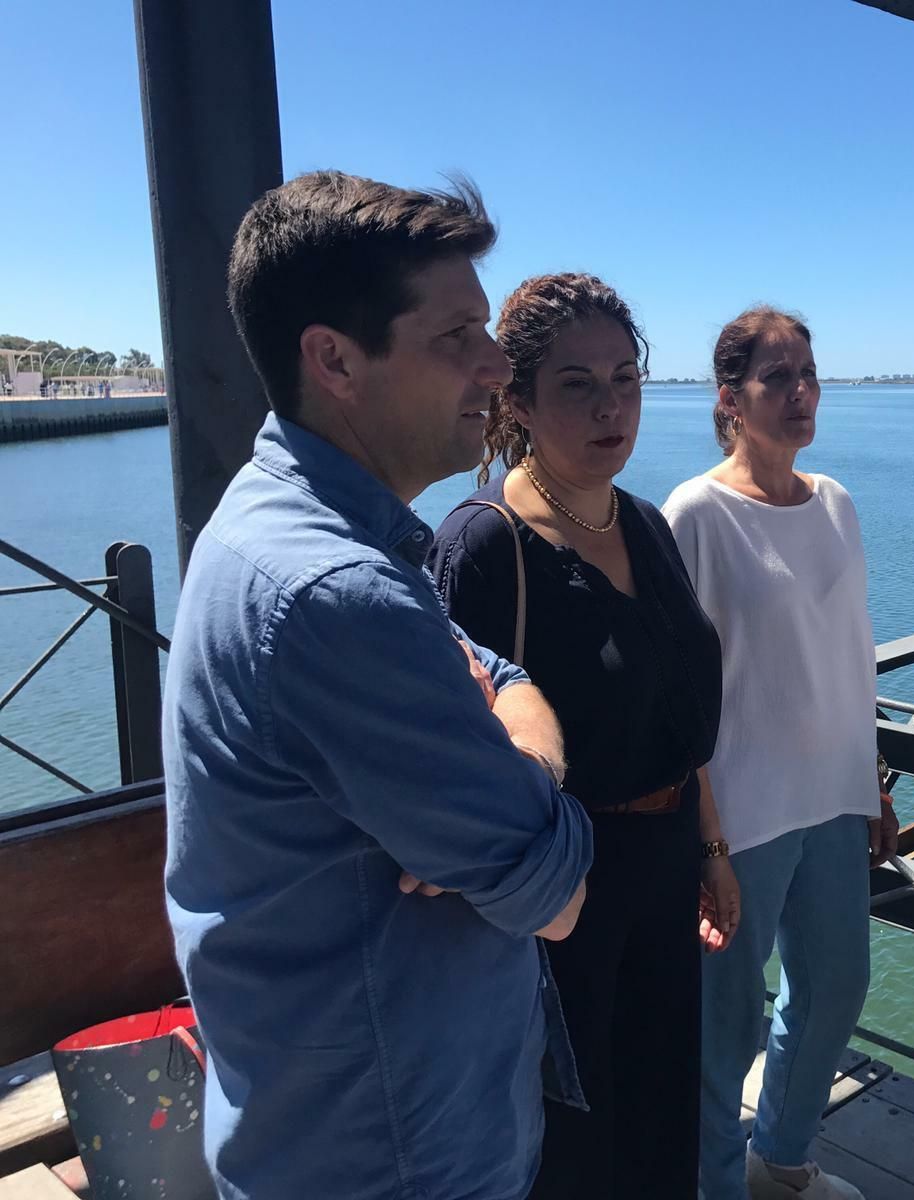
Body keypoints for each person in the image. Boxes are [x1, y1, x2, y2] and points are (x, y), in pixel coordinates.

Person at [162, 171, 592, 1200]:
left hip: (353, 1132)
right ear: (335, 360)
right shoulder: (334, 590)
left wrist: (501, 728)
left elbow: (496, 670)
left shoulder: (306, 530)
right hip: (390, 1160)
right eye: (456, 338)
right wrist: (533, 768)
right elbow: (560, 894)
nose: (496, 365)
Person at [428, 273, 729, 1199]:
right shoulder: (484, 547)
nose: (612, 407)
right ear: (514, 398)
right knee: (569, 1141)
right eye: (576, 384)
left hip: (668, 865)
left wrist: (711, 847)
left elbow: (679, 712)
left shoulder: (644, 522)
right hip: (561, 891)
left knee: (662, 1116)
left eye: (626, 379)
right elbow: (447, 760)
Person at [664, 306, 896, 1200]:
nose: (801, 394)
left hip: (834, 797)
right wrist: (702, 834)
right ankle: (715, 1186)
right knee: (722, 1032)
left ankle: (782, 1163)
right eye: (776, 378)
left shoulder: (835, 501)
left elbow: (850, 648)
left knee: (836, 986)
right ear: (731, 399)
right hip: (745, 810)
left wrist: (872, 775)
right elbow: (680, 688)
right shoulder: (697, 513)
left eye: (807, 373)